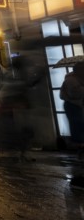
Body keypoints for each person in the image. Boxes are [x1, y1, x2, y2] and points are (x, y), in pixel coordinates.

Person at [60, 61, 84, 190]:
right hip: (74, 107)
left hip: (78, 107)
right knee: (78, 131)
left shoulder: (76, 79)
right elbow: (76, 93)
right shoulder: (72, 80)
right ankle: (79, 175)